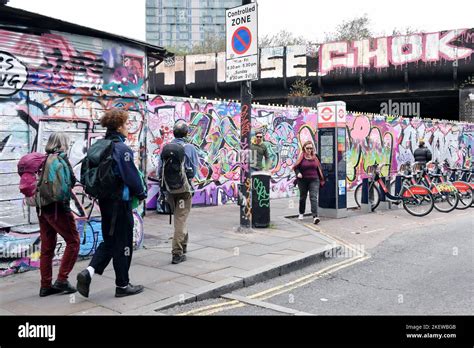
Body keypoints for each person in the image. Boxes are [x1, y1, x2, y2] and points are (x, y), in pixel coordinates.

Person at [76, 109, 147, 298]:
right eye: (126, 124)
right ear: (119, 126)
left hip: (105, 202)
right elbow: (131, 176)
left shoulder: (99, 145)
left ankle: (88, 272)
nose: (128, 127)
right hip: (120, 203)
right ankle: (122, 286)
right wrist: (141, 193)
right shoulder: (121, 149)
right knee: (124, 244)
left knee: (110, 240)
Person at [37, 133, 80, 297]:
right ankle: (62, 279)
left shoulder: (43, 159)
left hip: (42, 207)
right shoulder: (61, 159)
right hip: (58, 208)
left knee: (47, 248)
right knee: (73, 241)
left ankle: (45, 285)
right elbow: (71, 181)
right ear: (63, 143)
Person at [157, 120, 199, 264]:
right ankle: (177, 253)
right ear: (186, 133)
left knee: (181, 217)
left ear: (173, 133)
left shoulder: (166, 147)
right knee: (180, 219)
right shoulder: (190, 148)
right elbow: (194, 171)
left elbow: (159, 170)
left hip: (169, 189)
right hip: (183, 190)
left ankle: (184, 246)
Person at [293, 141, 325, 225]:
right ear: (304, 148)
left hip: (314, 180)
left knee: (313, 197)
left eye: (311, 148)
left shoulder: (315, 157)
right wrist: (298, 173)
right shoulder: (301, 157)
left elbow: (319, 167)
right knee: (303, 197)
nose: (309, 150)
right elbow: (296, 167)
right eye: (307, 148)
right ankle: (301, 212)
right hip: (302, 180)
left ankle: (315, 216)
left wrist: (321, 178)